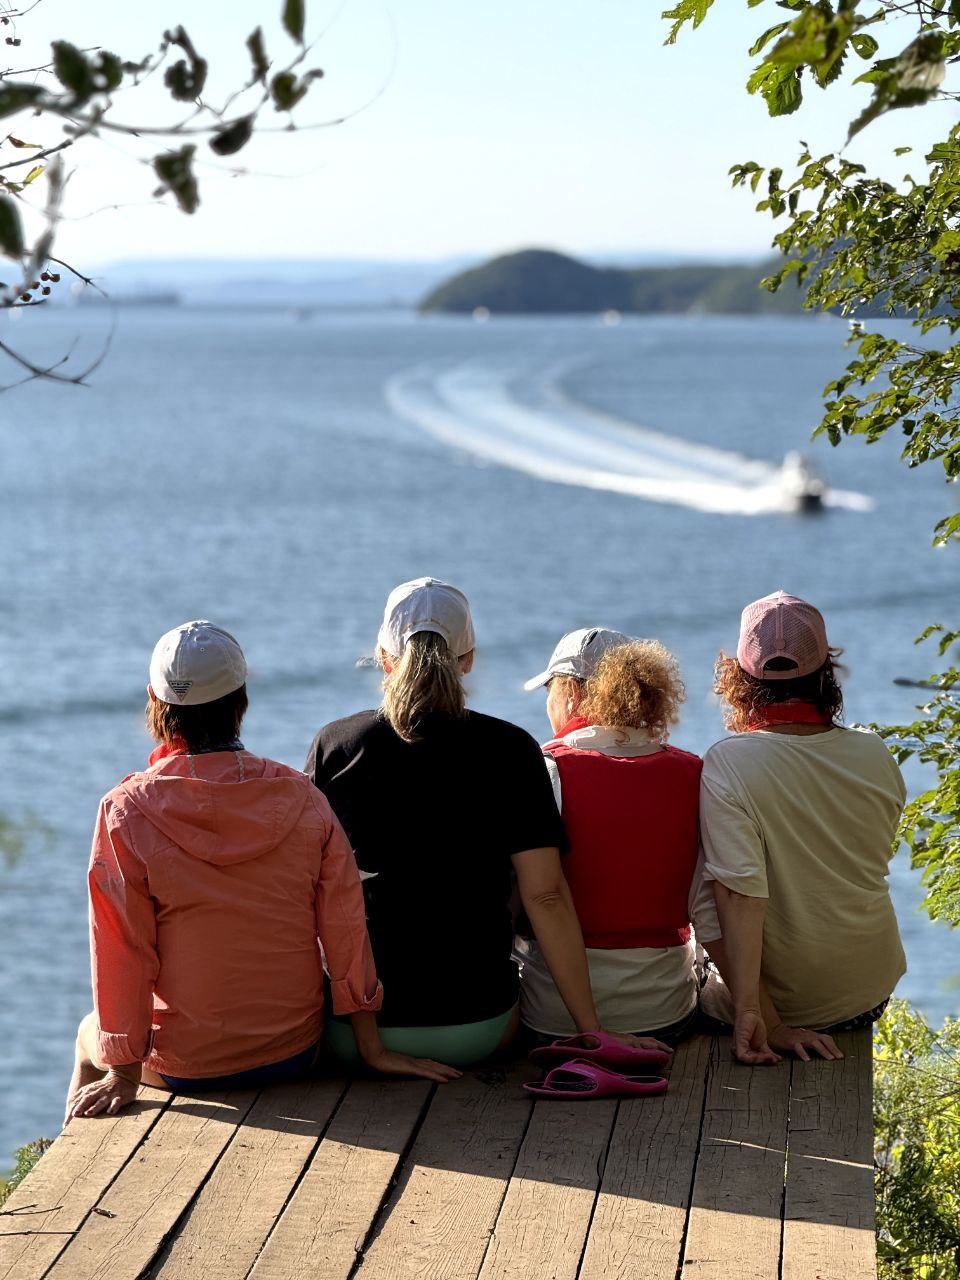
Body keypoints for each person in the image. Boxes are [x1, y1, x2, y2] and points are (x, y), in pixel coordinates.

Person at [67, 620, 457, 1123]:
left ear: (154, 702)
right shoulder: (302, 797)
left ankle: (59, 1157)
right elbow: (344, 926)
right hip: (292, 1049)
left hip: (187, 1063)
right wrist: (371, 1048)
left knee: (87, 1037)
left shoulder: (124, 812)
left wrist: (123, 1072)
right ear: (241, 701)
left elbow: (123, 949)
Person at [305, 578, 670, 1066]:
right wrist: (592, 1029)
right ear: (468, 659)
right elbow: (545, 896)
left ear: (384, 657)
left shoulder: (335, 745)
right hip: (477, 1028)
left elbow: (307, 890)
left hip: (354, 1033)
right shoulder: (511, 749)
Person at [699, 590, 907, 1066]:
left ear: (737, 678)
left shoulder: (729, 763)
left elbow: (739, 895)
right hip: (867, 992)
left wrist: (758, 1017)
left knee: (703, 888)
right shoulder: (874, 751)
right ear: (826, 672)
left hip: (788, 1006)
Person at [516, 627, 717, 1042]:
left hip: (554, 1016)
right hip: (665, 1010)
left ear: (572, 692)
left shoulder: (543, 771)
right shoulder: (693, 772)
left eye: (550, 690)